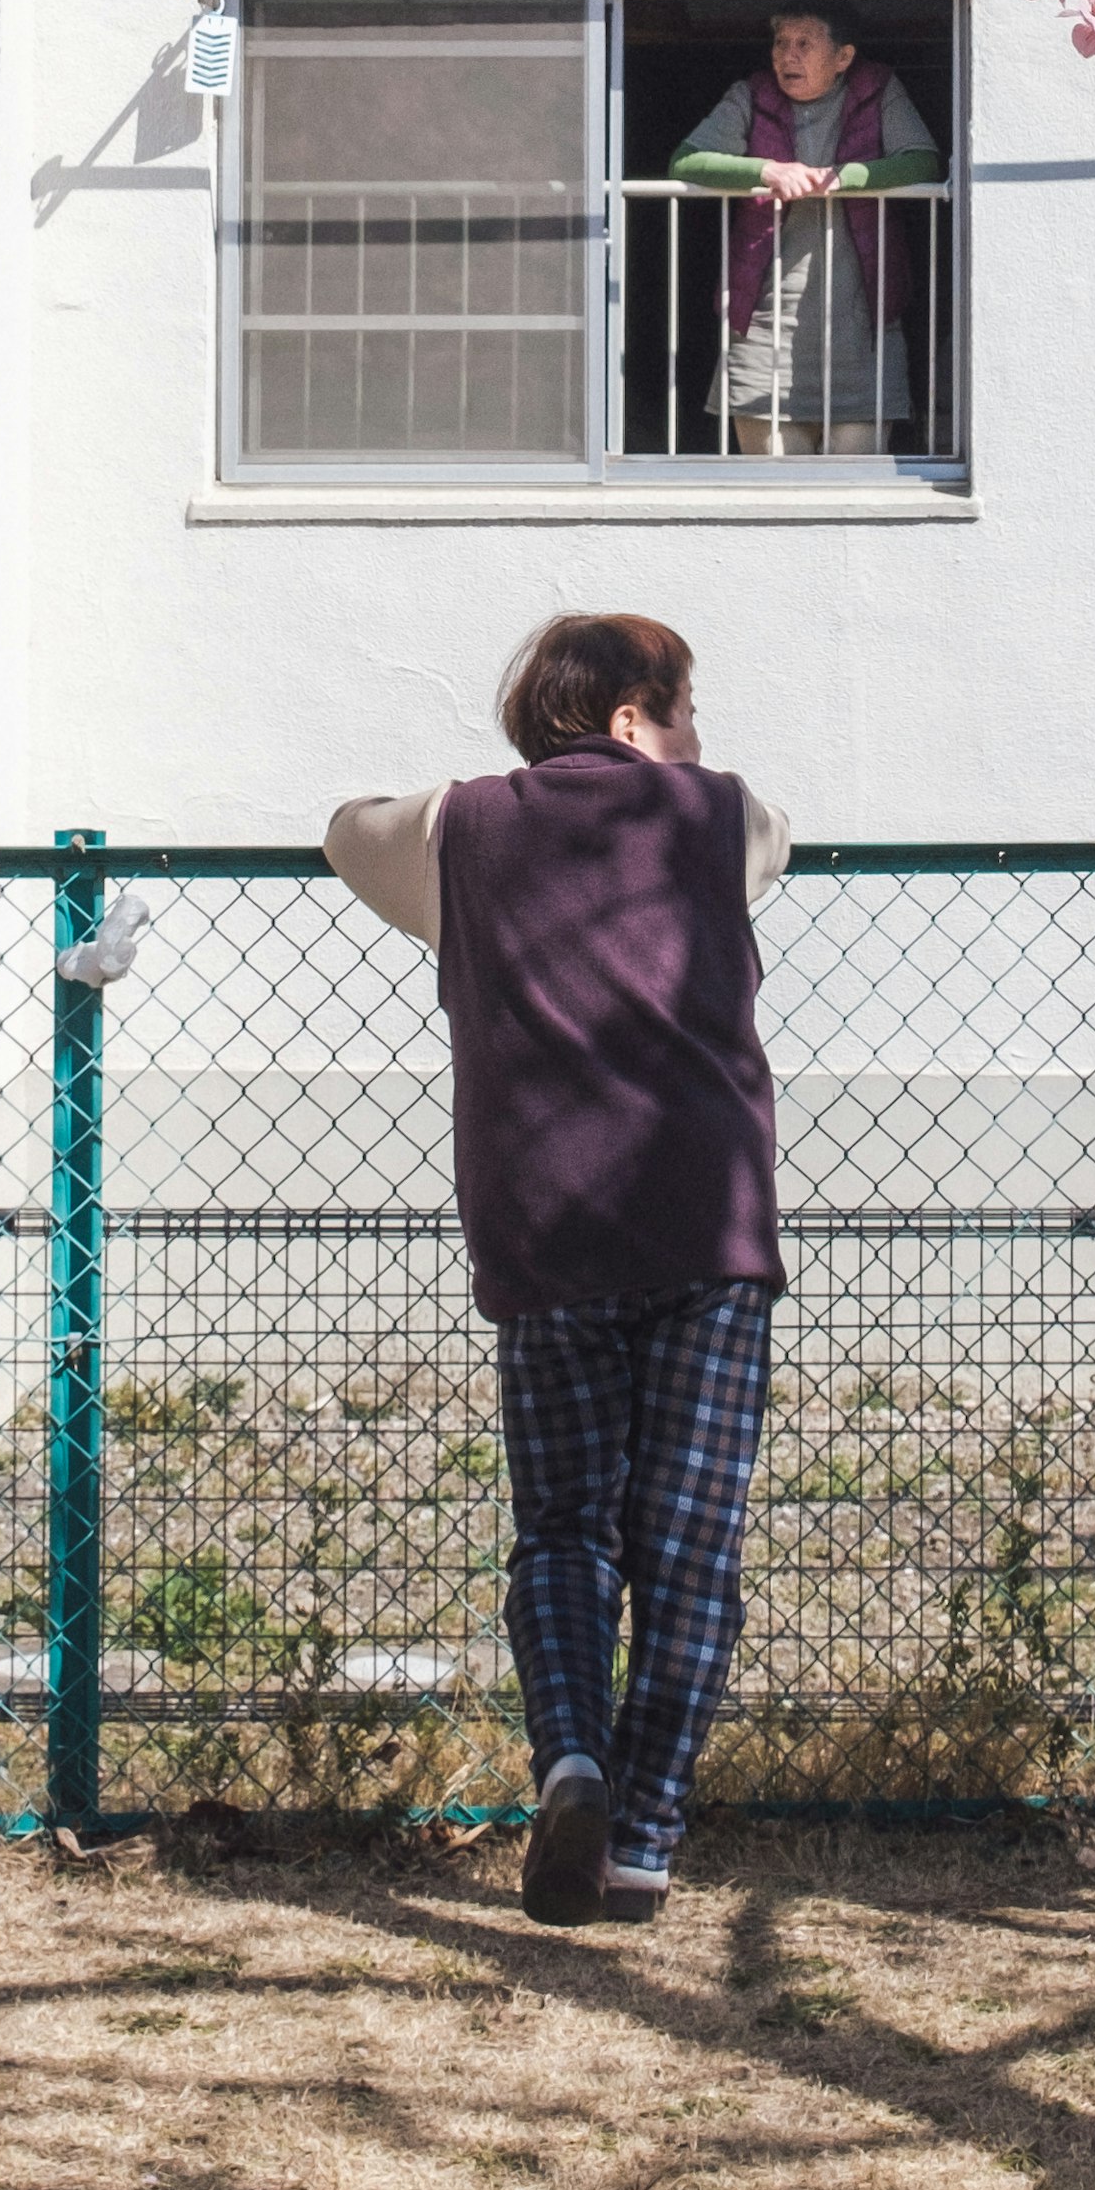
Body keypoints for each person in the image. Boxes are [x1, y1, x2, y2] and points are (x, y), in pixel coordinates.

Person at [324, 612, 789, 1927]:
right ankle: (640, 1839)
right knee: (691, 1545)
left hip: (544, 1224)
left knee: (566, 1535)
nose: (699, 741)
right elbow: (771, 843)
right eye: (685, 712)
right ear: (639, 718)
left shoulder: (456, 831)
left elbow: (344, 830)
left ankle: (571, 1760)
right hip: (706, 1221)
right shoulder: (722, 817)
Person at [668, 8, 942, 455]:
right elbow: (685, 160)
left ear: (843, 56)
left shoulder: (879, 89)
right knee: (775, 492)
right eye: (781, 43)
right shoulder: (750, 96)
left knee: (856, 495)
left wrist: (846, 178)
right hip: (763, 330)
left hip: (861, 335)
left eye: (804, 44)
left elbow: (922, 159)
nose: (787, 56)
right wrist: (766, 170)